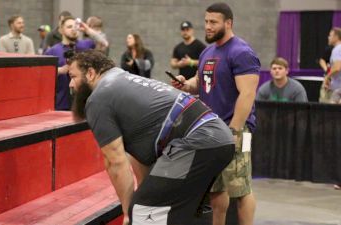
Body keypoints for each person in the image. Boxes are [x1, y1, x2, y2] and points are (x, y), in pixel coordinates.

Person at [68, 50, 235, 225]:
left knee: (144, 211)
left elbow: (115, 161)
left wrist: (129, 213)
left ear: (90, 73)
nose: (71, 84)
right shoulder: (121, 79)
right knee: (176, 211)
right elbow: (141, 155)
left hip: (199, 140)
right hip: (216, 137)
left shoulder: (98, 99)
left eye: (73, 77)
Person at [171, 3, 260, 225]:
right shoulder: (207, 52)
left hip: (238, 130)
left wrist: (234, 131)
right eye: (206, 21)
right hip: (212, 129)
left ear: (228, 23)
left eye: (213, 22)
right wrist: (185, 83)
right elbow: (201, 83)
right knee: (216, 189)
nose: (207, 27)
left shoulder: (242, 52)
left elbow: (247, 95)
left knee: (241, 188)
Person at [44, 16, 107, 110]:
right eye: (69, 27)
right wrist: (60, 70)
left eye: (75, 26)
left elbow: (103, 43)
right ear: (61, 30)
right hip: (62, 104)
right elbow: (43, 74)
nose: (73, 29)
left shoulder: (86, 44)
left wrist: (87, 30)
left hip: (86, 102)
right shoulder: (52, 51)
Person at [325, 28, 341, 106]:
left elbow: (337, 67)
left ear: (336, 37)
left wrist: (327, 77)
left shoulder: (337, 49)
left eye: (330, 35)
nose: (328, 37)